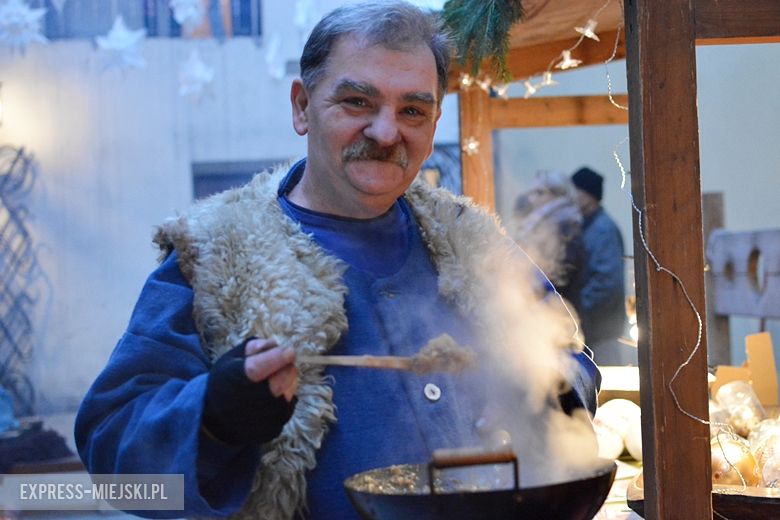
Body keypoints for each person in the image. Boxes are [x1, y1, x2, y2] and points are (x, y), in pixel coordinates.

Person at [75, 3, 601, 519]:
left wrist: (553, 390)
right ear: (302, 107)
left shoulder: (475, 242)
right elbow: (115, 457)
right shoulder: (212, 254)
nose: (386, 132)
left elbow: (569, 357)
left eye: (412, 110)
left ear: (436, 118)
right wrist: (213, 418)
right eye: (356, 101)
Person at [570, 166, 631, 365]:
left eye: (576, 191)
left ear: (589, 195)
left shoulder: (602, 230)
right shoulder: (588, 226)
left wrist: (574, 310)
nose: (571, 197)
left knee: (604, 388)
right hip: (592, 329)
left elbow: (607, 281)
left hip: (600, 332)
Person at [512, 171, 586, 312]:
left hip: (558, 309)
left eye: (539, 192)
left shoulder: (566, 225)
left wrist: (535, 292)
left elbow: (562, 274)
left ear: (557, 194)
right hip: (541, 304)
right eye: (531, 193)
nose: (531, 199)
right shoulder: (540, 222)